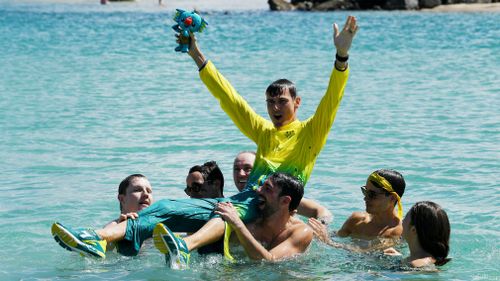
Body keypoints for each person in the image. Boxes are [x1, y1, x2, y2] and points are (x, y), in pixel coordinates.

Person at [50, 16, 358, 262]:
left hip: (262, 203)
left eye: (282, 101)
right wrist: (196, 54)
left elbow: (333, 98)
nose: (275, 108)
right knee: (164, 207)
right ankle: (98, 241)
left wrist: (341, 55)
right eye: (270, 102)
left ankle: (186, 246)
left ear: (297, 103)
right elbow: (230, 98)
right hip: (241, 200)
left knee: (229, 210)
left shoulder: (310, 133)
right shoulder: (264, 131)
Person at [154, 172, 312, 268]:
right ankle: (179, 251)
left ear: (285, 201)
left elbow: (270, 261)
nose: (258, 190)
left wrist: (237, 224)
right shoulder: (252, 217)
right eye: (261, 185)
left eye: (267, 189)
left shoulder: (301, 231)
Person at [309, 169, 405, 251]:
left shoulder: (397, 232)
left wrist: (327, 241)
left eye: (372, 194)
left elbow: (365, 253)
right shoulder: (357, 220)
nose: (365, 198)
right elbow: (338, 236)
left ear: (392, 198)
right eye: (365, 191)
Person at [399, 201, 451, 268]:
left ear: (413, 230)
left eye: (404, 219)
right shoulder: (432, 259)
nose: (401, 221)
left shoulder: (415, 265)